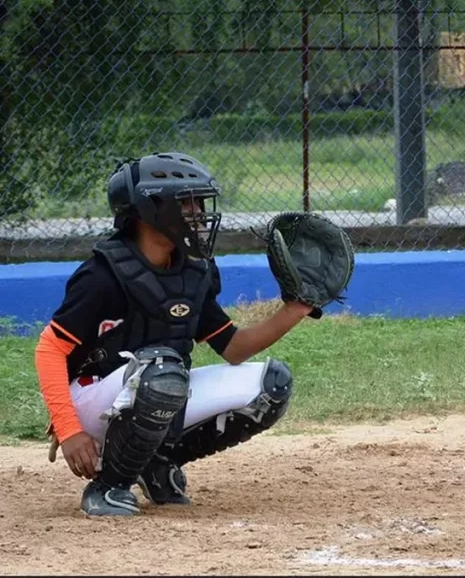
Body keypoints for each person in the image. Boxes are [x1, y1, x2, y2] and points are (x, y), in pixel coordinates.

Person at [34, 151, 314, 516]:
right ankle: (107, 487)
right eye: (188, 203)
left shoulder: (192, 271)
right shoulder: (102, 276)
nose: (199, 213)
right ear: (153, 209)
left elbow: (232, 347)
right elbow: (49, 349)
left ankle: (152, 464)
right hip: (90, 401)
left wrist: (296, 309)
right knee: (163, 372)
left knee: (271, 385)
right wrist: (68, 428)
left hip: (155, 386)